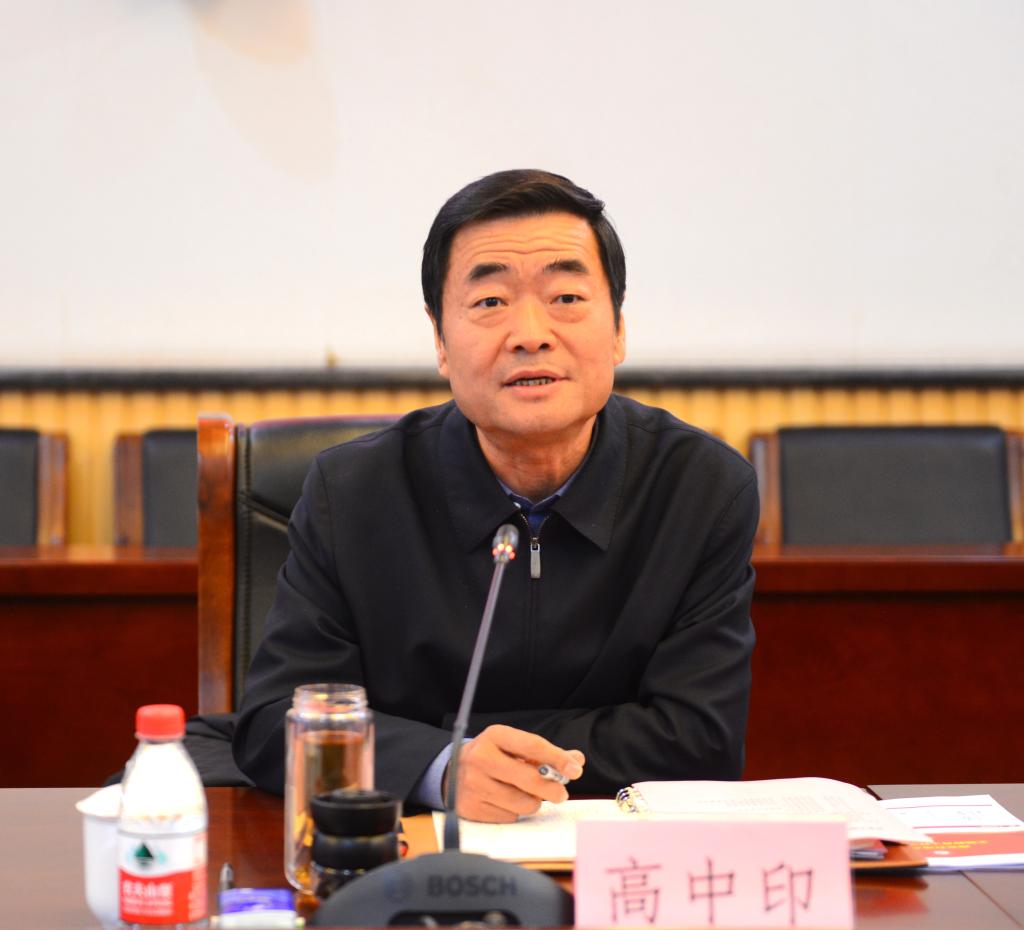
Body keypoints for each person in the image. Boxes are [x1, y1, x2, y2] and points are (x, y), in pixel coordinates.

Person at [233, 169, 758, 823]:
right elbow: (277, 721)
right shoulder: (352, 492)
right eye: (489, 302)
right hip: (412, 853)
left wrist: (459, 747)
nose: (530, 333)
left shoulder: (700, 489)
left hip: (614, 858)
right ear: (440, 341)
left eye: (566, 297)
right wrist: (441, 767)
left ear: (619, 329)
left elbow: (701, 743)